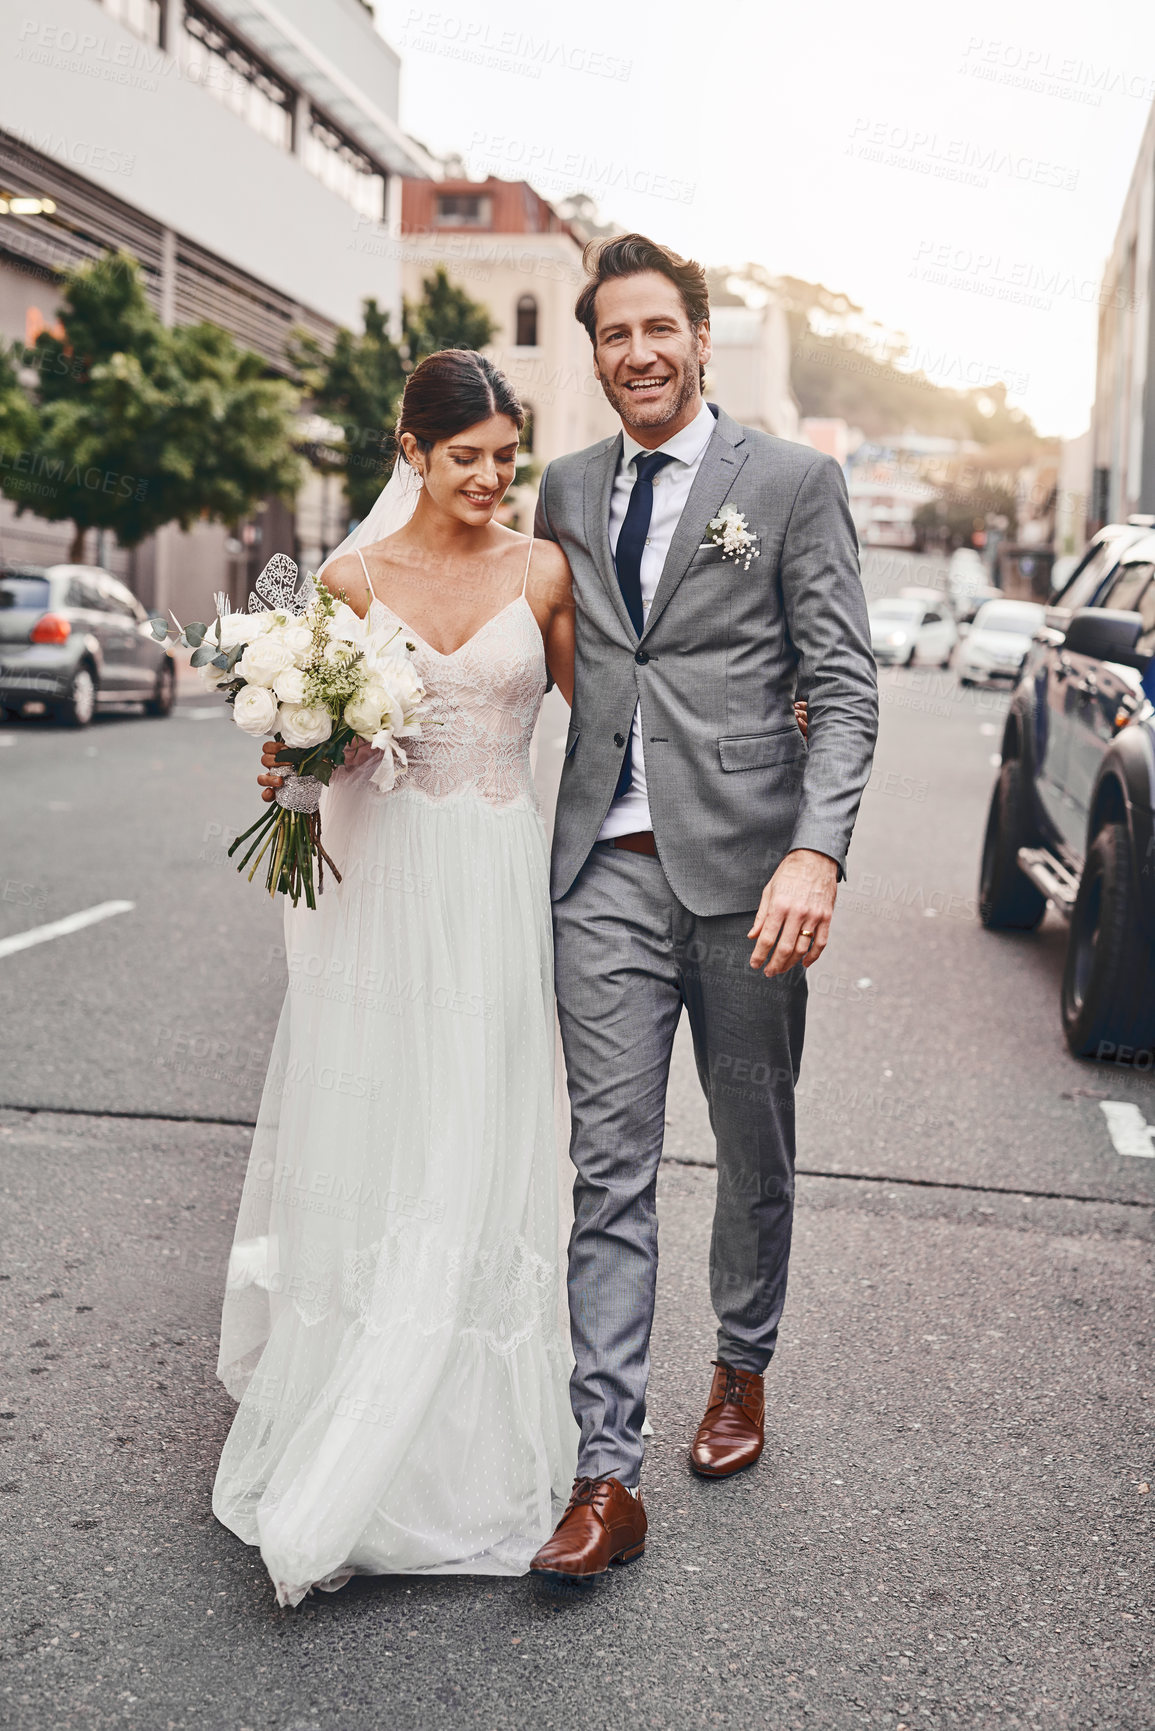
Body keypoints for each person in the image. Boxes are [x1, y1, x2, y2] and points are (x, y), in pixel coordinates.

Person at [526, 235, 879, 1586]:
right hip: (601, 872)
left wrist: (817, 853)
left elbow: (840, 684)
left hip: (744, 878)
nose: (637, 355)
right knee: (607, 1162)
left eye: (657, 328)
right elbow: (519, 643)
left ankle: (739, 1364)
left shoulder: (787, 482)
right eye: (613, 335)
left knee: (749, 1139)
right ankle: (601, 1469)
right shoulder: (563, 486)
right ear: (593, 350)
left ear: (698, 338)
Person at [212, 350, 579, 1605]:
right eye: (466, 455)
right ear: (411, 450)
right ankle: (352, 1405)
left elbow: (618, 723)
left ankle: (457, 1446)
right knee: (389, 1130)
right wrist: (296, 761)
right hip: (384, 893)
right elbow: (311, 757)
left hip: (490, 887)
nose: (491, 478)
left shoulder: (543, 571)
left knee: (478, 1136)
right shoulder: (348, 578)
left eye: (506, 457)